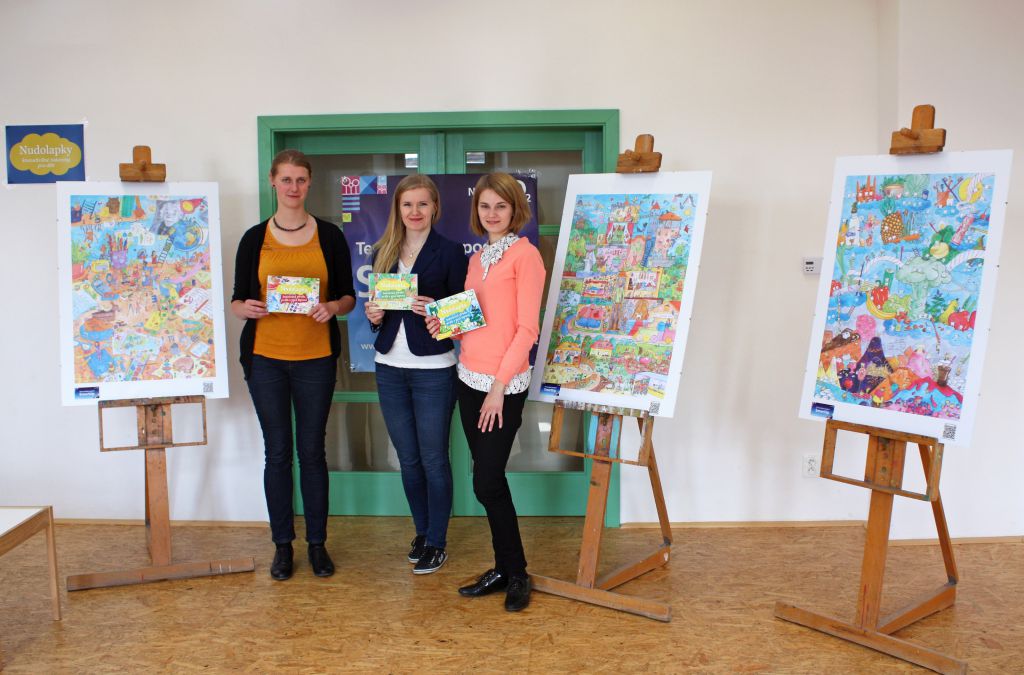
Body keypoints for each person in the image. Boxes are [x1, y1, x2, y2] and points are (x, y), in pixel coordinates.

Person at [231, 149, 355, 581]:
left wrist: (331, 307)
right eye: (286, 179)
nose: (293, 187)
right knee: (278, 453)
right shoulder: (254, 238)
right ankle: (282, 546)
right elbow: (237, 301)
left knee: (313, 452)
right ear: (273, 181)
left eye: (300, 179)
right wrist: (246, 308)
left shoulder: (330, 236)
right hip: (265, 359)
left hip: (315, 360)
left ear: (309, 183)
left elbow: (347, 296)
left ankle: (317, 544)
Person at [429, 173, 545, 611]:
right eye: (484, 206)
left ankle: (517, 573)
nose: (492, 213)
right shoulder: (478, 259)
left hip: (502, 386)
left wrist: (498, 389)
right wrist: (447, 327)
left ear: (515, 209)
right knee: (486, 480)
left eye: (501, 206)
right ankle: (504, 567)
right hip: (468, 379)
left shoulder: (526, 256)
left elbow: (526, 330)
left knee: (487, 480)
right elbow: (477, 321)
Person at [365, 174, 468, 575]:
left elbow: (463, 313)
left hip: (433, 370)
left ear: (435, 207)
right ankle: (423, 533)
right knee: (408, 459)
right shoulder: (383, 250)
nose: (415, 211)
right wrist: (374, 315)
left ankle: (437, 542)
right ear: (398, 209)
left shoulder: (450, 251)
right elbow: (376, 313)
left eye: (422, 204)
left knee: (433, 460)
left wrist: (436, 310)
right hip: (390, 367)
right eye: (407, 204)